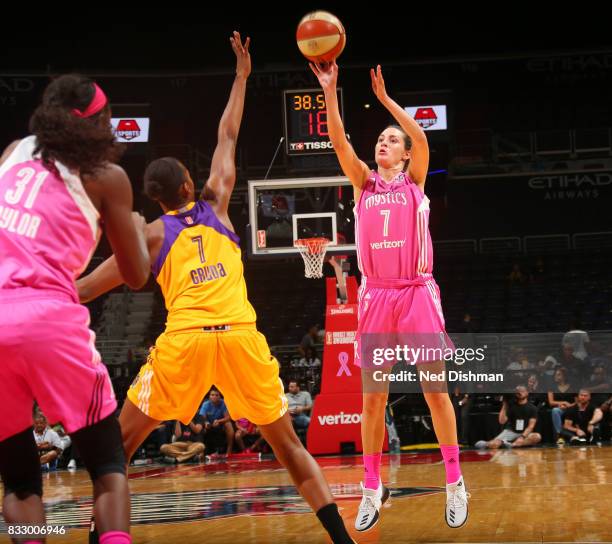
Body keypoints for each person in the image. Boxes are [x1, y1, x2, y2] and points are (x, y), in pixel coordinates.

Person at [76, 34, 354, 544]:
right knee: (290, 448)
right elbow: (228, 133)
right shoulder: (218, 204)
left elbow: (88, 287)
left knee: (117, 448)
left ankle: (101, 537)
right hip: (242, 340)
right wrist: (242, 76)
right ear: (188, 184)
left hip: (186, 343)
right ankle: (342, 540)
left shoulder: (149, 236)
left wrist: (38, 291)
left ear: (155, 198)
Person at [311, 60, 468, 531]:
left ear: (402, 154)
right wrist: (330, 89)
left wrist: (385, 103)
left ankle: (455, 482)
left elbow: (421, 138)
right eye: (381, 138)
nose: (385, 142)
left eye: (391, 139)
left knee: (434, 392)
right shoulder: (363, 183)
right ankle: (372, 488)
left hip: (417, 291)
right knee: (373, 399)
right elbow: (338, 140)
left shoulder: (416, 181)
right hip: (376, 296)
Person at [0, 73, 150, 544]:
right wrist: (138, 232)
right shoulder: (106, 177)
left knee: (20, 481)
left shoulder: (13, 153)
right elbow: (136, 275)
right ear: (95, 123)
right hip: (46, 318)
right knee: (107, 466)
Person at [475, 386, 542, 449]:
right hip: (511, 431)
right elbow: (502, 421)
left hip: (524, 433)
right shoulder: (511, 405)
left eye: (522, 390)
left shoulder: (532, 408)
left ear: (527, 392)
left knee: (537, 437)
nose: (519, 392)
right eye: (518, 391)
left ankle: (511, 444)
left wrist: (522, 437)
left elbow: (530, 426)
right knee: (494, 444)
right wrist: (505, 405)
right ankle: (488, 443)